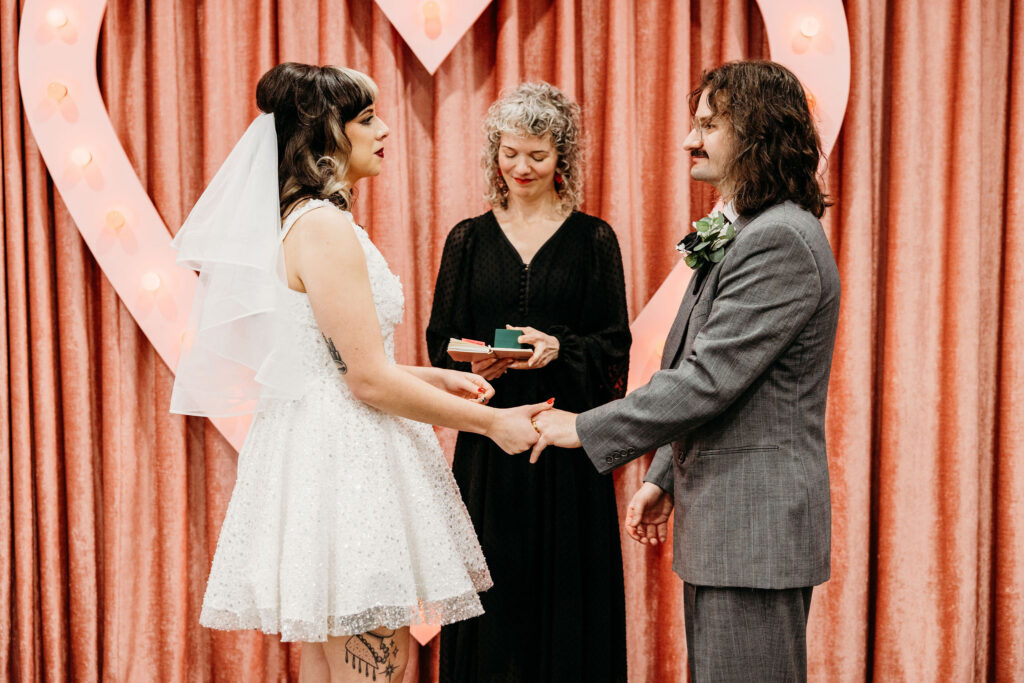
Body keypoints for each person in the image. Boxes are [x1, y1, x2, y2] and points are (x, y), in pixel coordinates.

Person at [170, 63, 551, 683]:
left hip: (325, 449)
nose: (384, 131)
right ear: (328, 133)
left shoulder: (306, 220)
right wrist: (491, 423)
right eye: (368, 118)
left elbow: (337, 358)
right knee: (375, 670)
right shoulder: (323, 228)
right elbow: (366, 381)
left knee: (330, 668)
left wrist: (433, 377)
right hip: (351, 465)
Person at [532, 60, 841, 681]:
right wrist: (665, 476)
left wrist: (582, 427)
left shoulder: (779, 239)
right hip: (726, 523)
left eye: (708, 125)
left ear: (756, 132)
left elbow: (708, 380)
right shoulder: (747, 227)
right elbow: (713, 372)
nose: (688, 140)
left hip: (753, 529)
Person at [427, 82, 630, 682]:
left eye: (537, 155)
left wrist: (559, 348)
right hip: (487, 451)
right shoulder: (466, 238)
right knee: (490, 606)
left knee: (570, 602)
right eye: (510, 153)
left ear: (562, 158)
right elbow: (440, 340)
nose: (521, 167)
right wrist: (473, 361)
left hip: (565, 447)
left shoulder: (595, 240)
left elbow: (615, 350)